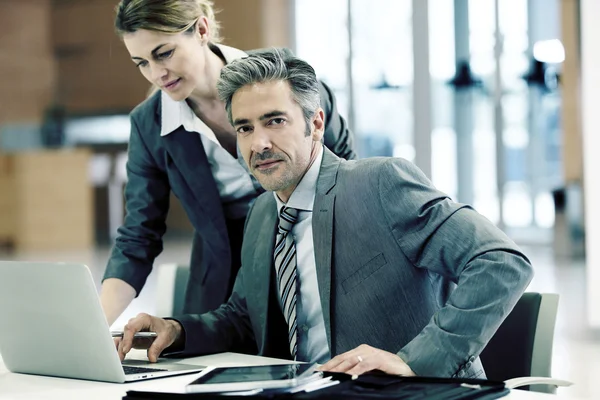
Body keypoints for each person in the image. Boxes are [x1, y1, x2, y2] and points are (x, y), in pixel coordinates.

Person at [116, 49, 534, 378]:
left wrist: (414, 360)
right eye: (244, 128)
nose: (258, 142)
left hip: (406, 391)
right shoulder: (264, 213)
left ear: (315, 124)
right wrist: (177, 330)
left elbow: (501, 262)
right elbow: (243, 318)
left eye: (274, 121)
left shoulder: (380, 184)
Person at [101, 0, 356, 326]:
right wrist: (94, 325)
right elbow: (139, 234)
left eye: (164, 53)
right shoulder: (150, 124)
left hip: (309, 255)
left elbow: (347, 178)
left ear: (202, 29)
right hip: (220, 286)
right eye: (141, 63)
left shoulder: (285, 80)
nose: (156, 74)